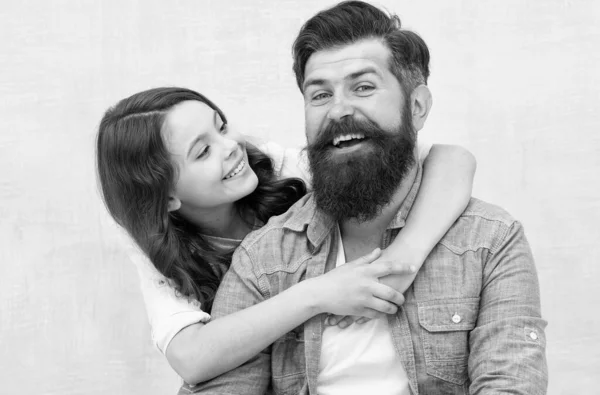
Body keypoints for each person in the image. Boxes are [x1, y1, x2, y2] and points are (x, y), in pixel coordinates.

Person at [184, 0, 548, 395]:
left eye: (363, 87)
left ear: (418, 106)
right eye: (319, 95)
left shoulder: (490, 243)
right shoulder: (264, 259)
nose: (340, 110)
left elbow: (510, 383)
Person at [97, 86, 475, 386]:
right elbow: (191, 359)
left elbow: (451, 159)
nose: (231, 147)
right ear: (167, 197)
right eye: (204, 151)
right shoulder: (155, 246)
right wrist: (317, 295)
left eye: (222, 126)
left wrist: (404, 259)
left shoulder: (279, 169)